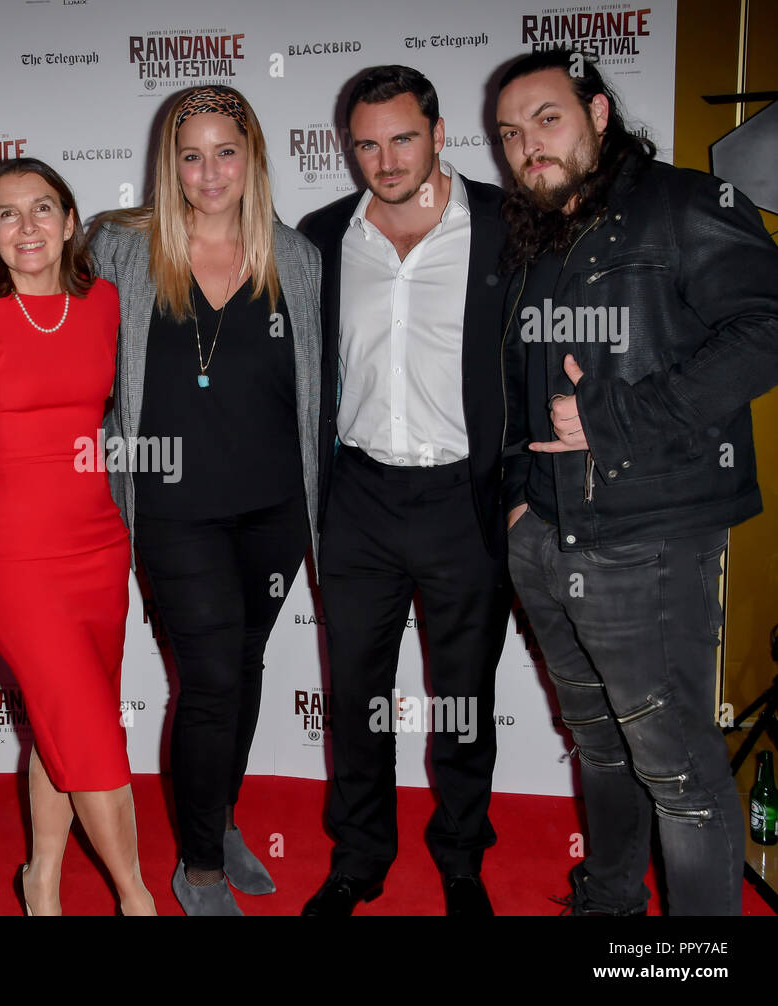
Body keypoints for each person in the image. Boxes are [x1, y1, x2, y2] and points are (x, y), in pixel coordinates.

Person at [496, 48, 778, 915]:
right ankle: (608, 905)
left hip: (647, 540)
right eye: (510, 134)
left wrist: (621, 418)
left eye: (548, 118)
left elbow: (767, 326)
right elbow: (513, 378)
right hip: (545, 535)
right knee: (600, 747)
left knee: (681, 774)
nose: (528, 145)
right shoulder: (538, 233)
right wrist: (517, 504)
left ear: (599, 113)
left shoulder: (688, 204)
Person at [91, 85, 322, 916]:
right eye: (192, 155)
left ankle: (217, 817)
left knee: (247, 666)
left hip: (275, 510)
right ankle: (198, 867)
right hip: (172, 508)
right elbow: (30, 284)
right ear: (170, 164)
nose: (210, 170)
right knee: (213, 676)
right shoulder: (119, 247)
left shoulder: (295, 257)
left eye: (228, 151)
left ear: (253, 157)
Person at [299, 65, 511, 917]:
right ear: (348, 147)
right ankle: (359, 858)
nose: (385, 160)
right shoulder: (320, 236)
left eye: (403, 138)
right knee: (354, 694)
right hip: (357, 498)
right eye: (367, 143)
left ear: (439, 131)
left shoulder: (505, 226)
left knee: (463, 695)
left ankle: (462, 859)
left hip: (466, 498)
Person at [0, 158, 155, 916]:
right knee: (89, 728)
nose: (29, 226)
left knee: (65, 718)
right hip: (8, 547)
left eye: (43, 208)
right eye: (8, 215)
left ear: (72, 220)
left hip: (97, 539)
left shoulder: (104, 300)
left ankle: (41, 879)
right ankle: (136, 900)